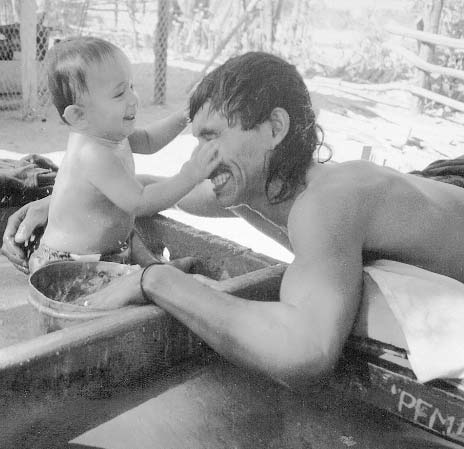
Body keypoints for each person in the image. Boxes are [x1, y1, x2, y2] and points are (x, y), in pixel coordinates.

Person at [3, 52, 464, 391]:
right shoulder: (253, 187)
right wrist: (63, 200)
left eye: (213, 137)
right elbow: (160, 192)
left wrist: (154, 280)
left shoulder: (327, 204)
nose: (200, 157)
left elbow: (306, 352)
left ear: (274, 129)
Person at [26, 36, 219, 273]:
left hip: (104, 255)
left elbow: (148, 140)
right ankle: (157, 275)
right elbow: (140, 202)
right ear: (79, 116)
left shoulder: (108, 135)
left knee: (146, 272)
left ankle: (153, 271)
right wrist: (190, 174)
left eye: (131, 87)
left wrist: (185, 115)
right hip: (69, 264)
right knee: (149, 291)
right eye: (119, 94)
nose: (133, 98)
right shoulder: (92, 154)